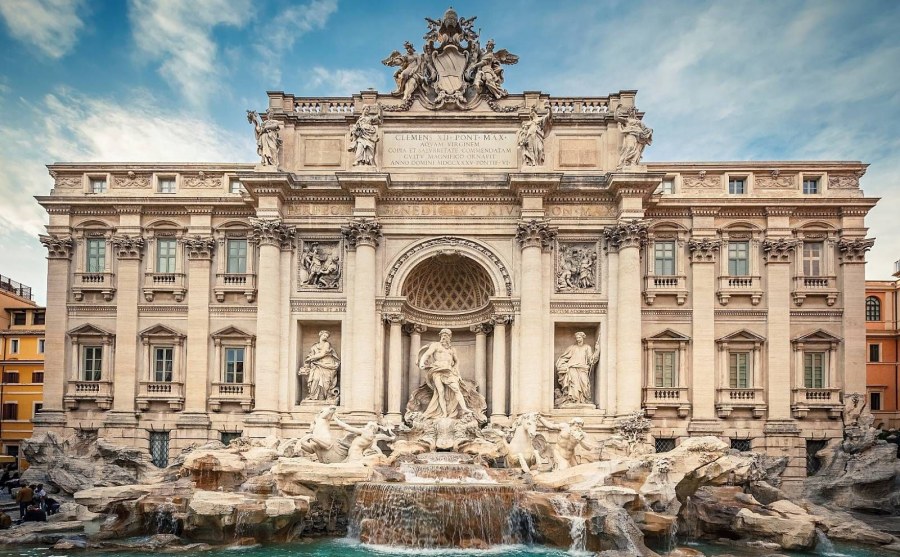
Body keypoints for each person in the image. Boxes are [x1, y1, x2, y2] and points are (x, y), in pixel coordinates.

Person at [418, 329, 470, 419]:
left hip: (449, 371)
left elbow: (457, 362)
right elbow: (427, 354)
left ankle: (464, 408)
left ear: (450, 337)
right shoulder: (436, 345)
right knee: (440, 392)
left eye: (446, 335)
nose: (444, 337)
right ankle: (444, 413)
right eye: (442, 335)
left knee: (456, 389)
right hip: (437, 370)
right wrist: (422, 362)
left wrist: (457, 373)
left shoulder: (452, 350)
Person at [555, 332, 598, 405]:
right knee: (573, 384)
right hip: (572, 368)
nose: (578, 339)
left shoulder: (587, 347)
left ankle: (584, 400)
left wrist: (597, 350)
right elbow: (563, 357)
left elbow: (591, 360)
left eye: (579, 337)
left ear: (583, 338)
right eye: (577, 338)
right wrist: (561, 365)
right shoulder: (572, 348)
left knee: (584, 384)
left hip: (583, 368)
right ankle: (574, 400)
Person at [299, 330, 341, 401]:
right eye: (324, 335)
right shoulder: (315, 346)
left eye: (327, 336)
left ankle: (323, 397)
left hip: (327, 364)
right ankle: (312, 396)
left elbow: (322, 354)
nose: (325, 337)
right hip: (316, 365)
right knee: (315, 379)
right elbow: (310, 355)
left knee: (326, 383)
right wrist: (307, 362)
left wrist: (311, 358)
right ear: (320, 335)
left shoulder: (327, 344)